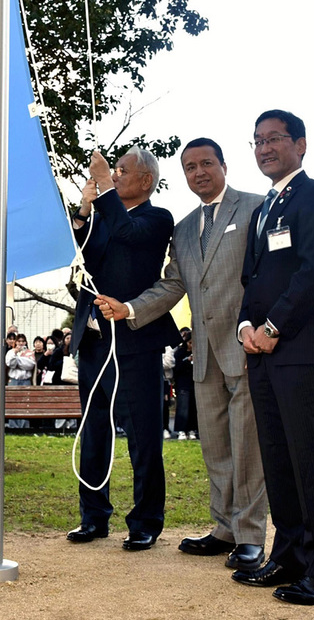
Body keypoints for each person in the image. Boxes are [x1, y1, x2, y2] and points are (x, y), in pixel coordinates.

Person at [96, 137, 267, 571]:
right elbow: (174, 283)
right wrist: (130, 308)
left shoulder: (254, 207)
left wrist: (265, 327)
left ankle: (249, 536)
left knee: (246, 446)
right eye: (190, 167)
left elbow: (269, 272)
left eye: (206, 163)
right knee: (215, 447)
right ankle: (224, 528)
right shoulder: (186, 227)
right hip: (204, 353)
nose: (199, 173)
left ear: (224, 166)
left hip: (246, 346)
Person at [234, 109, 314, 605]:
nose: (264, 148)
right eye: (257, 140)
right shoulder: (262, 210)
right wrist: (245, 327)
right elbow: (251, 282)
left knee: (310, 463)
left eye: (275, 138)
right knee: (279, 463)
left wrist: (274, 327)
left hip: (304, 353)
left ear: (300, 144)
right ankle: (291, 556)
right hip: (262, 355)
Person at [67, 147, 179, 551]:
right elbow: (79, 247)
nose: (113, 176)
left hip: (135, 341)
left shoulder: (157, 217)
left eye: (120, 170)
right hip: (95, 341)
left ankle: (146, 520)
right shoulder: (102, 215)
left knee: (143, 435)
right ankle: (93, 517)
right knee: (93, 431)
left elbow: (130, 236)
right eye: (112, 170)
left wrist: (104, 194)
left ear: (146, 180)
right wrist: (84, 208)